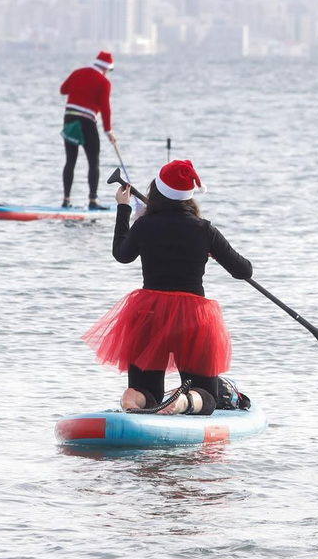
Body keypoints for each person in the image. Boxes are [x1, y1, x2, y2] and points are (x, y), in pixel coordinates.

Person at [82, 159, 254, 415]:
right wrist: (213, 251)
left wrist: (123, 209)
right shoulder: (205, 230)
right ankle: (184, 401)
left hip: (148, 314)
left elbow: (122, 254)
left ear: (157, 191)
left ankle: (133, 397)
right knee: (207, 395)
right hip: (193, 319)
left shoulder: (144, 225)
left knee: (147, 391)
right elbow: (244, 271)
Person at [60, 51, 118, 210]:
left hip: (69, 119)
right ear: (106, 68)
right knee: (93, 161)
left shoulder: (77, 73)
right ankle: (93, 200)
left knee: (70, 160)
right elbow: (105, 108)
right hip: (86, 122)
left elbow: (63, 90)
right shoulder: (104, 82)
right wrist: (108, 131)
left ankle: (66, 200)